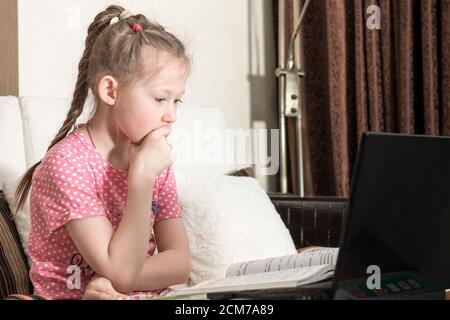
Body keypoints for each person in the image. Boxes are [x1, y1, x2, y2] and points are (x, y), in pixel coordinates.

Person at [14, 5, 191, 300]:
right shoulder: (68, 163)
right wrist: (142, 176)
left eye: (177, 101)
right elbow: (121, 273)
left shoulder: (153, 158)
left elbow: (180, 263)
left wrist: (123, 278)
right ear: (111, 91)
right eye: (161, 98)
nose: (171, 115)